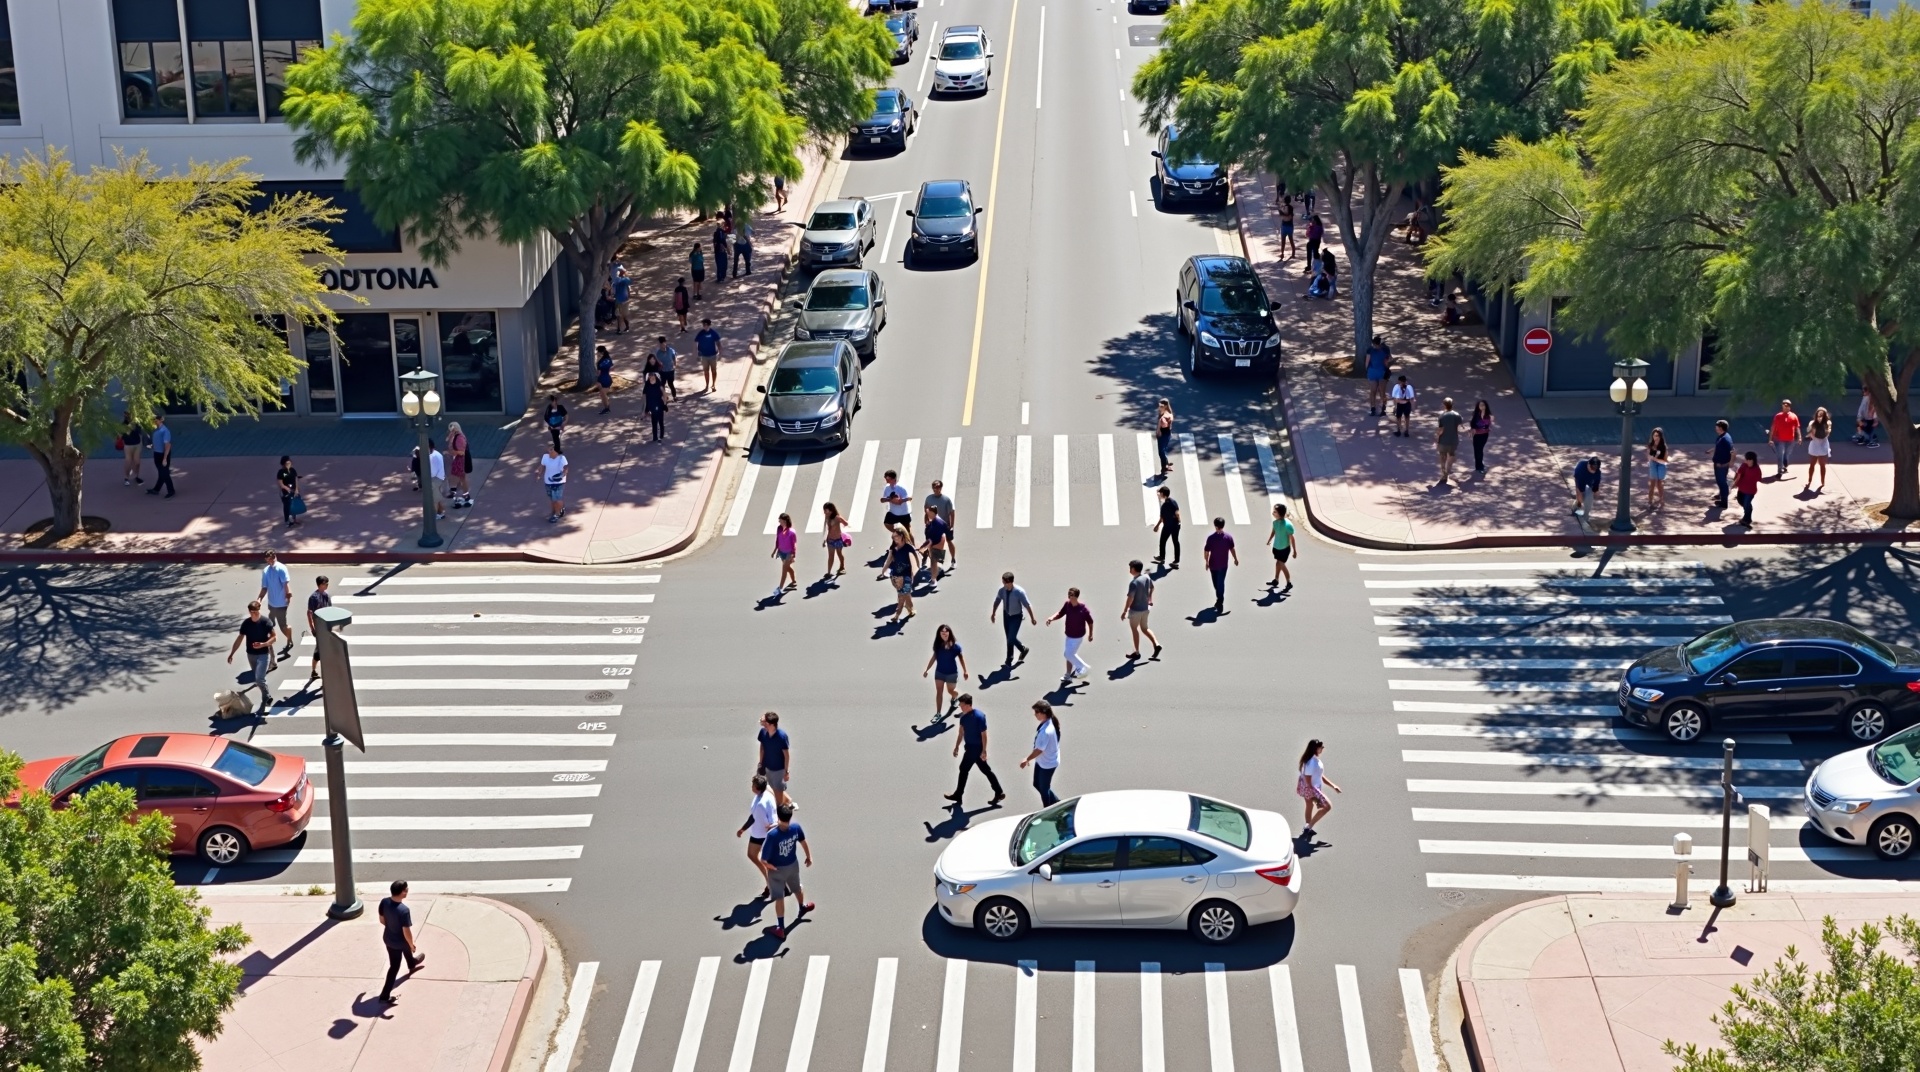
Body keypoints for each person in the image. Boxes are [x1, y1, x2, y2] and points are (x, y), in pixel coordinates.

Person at [760, 804, 812, 940]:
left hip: (777, 870)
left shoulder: (772, 836)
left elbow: (763, 860)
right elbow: (803, 842)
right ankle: (802, 907)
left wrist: (770, 867)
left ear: (778, 817)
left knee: (779, 897)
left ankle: (781, 928)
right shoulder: (796, 828)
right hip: (793, 865)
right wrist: (808, 857)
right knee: (797, 887)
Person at [946, 694, 1005, 805]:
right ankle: (999, 792)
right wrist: (956, 746)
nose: (960, 707)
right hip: (970, 747)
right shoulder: (963, 717)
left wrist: (984, 750)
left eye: (962, 705)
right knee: (986, 770)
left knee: (963, 768)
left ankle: (958, 795)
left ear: (968, 705)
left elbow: (984, 735)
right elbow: (961, 733)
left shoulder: (979, 716)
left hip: (975, 748)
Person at [375, 880, 425, 1004]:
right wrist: (412, 944)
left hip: (388, 938)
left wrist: (392, 927)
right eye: (406, 889)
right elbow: (406, 932)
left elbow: (382, 920)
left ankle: (412, 964)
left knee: (405, 950)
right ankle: (384, 995)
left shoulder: (384, 902)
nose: (407, 891)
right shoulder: (403, 910)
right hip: (399, 941)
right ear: (403, 893)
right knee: (395, 966)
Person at [226, 601, 277, 714]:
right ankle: (267, 695)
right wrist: (232, 653)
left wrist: (263, 644)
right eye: (252, 612)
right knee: (258, 679)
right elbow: (240, 639)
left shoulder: (266, 622)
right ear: (249, 611)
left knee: (260, 679)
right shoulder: (246, 624)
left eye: (256, 612)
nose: (254, 614)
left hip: (264, 654)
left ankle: (266, 698)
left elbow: (274, 637)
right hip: (251, 655)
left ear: (259, 610)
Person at [734, 774, 778, 898]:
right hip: (765, 834)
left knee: (753, 855)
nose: (751, 787)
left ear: (757, 788)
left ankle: (770, 883)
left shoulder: (759, 805)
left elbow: (754, 819)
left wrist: (742, 829)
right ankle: (773, 882)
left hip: (760, 835)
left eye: (753, 785)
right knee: (765, 859)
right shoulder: (767, 792)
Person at [1044, 587, 1093, 683]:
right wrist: (1051, 618)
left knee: (1068, 654)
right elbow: (1060, 613)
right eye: (1068, 594)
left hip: (1078, 636)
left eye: (1071, 595)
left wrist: (1090, 634)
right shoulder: (1067, 605)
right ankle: (1068, 675)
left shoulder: (1083, 609)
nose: (1069, 596)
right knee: (1070, 654)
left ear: (1076, 596)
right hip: (1069, 635)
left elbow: (1090, 622)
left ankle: (1083, 667)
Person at [1020, 701, 1062, 806]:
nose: (1035, 714)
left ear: (1043, 713)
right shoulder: (1048, 721)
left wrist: (1027, 759)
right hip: (1043, 761)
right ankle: (1057, 803)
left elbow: (1039, 750)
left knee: (1044, 790)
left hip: (1047, 764)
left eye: (1036, 712)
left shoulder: (1046, 731)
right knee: (1037, 784)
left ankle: (1048, 809)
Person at [1296, 740, 1341, 837]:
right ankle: (1309, 827)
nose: (1322, 749)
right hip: (1311, 788)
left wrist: (1333, 786)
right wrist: (1315, 795)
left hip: (1308, 787)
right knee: (1327, 806)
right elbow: (1308, 779)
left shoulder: (1313, 759)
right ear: (1316, 748)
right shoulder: (1311, 762)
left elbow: (1319, 775)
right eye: (1321, 747)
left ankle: (1307, 826)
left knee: (1309, 806)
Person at [990, 572, 1037, 665]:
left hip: (1016, 616)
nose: (1003, 584)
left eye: (1004, 582)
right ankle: (1009, 657)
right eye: (1003, 582)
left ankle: (1023, 649)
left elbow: (1027, 605)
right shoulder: (1002, 591)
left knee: (1011, 637)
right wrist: (993, 613)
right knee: (1008, 637)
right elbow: (997, 601)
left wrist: (1032, 618)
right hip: (1006, 615)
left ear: (1010, 582)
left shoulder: (1019, 592)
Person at [256, 550, 295, 658]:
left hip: (281, 603)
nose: (270, 561)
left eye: (271, 559)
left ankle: (289, 635)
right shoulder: (266, 571)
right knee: (269, 624)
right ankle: (269, 645)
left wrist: (288, 596)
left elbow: (286, 584)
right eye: (268, 560)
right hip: (272, 603)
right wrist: (259, 599)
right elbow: (264, 587)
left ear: (275, 557)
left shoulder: (281, 568)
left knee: (282, 627)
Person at [923, 625, 968, 717]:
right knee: (939, 691)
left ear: (949, 633)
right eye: (942, 633)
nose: (944, 634)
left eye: (946, 632)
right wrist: (927, 669)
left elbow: (961, 659)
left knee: (951, 691)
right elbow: (933, 658)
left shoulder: (956, 647)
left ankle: (955, 697)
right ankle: (938, 713)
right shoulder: (938, 646)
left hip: (952, 673)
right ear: (939, 634)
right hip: (939, 672)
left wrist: (965, 671)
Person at [1122, 559, 1160, 660]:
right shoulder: (1146, 577)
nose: (1130, 569)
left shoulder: (1134, 583)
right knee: (1145, 628)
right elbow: (1152, 587)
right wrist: (1149, 599)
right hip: (1145, 609)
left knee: (1134, 629)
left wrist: (1125, 611)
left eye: (1130, 568)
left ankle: (1137, 652)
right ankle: (1156, 644)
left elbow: (1130, 598)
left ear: (1133, 569)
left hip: (1135, 611)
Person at [1203, 517, 1237, 612]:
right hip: (1219, 565)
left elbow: (1206, 552)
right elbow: (1232, 549)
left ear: (1215, 526)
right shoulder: (1227, 537)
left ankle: (1220, 599)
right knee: (1217, 583)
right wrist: (1235, 559)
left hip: (1217, 565)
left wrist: (1206, 561)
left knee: (1219, 582)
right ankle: (1219, 595)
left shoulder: (1212, 538)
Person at [885, 528, 920, 622]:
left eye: (896, 536)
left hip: (907, 575)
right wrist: (884, 570)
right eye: (893, 536)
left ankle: (897, 615)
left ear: (902, 536)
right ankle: (911, 609)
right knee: (906, 594)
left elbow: (916, 556)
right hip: (896, 575)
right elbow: (889, 559)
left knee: (901, 595)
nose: (894, 538)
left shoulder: (908, 547)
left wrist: (918, 566)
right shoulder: (893, 548)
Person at [757, 712, 792, 806]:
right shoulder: (763, 732)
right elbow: (762, 748)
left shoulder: (782, 737)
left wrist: (786, 771)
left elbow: (786, 755)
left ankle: (780, 809)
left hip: (779, 769)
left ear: (771, 724)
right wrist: (761, 763)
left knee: (778, 791)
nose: (763, 724)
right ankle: (789, 801)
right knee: (772, 788)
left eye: (765, 722)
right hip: (768, 766)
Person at [303, 575, 331, 687]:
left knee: (319, 652)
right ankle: (324, 677)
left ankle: (314, 671)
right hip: (319, 628)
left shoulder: (326, 596)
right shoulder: (313, 598)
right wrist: (313, 629)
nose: (327, 585)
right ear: (320, 584)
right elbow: (309, 614)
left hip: (326, 627)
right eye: (326, 583)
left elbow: (330, 610)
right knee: (322, 653)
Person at [925, 479, 958, 566]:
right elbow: (926, 510)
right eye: (934, 487)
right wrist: (926, 521)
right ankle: (936, 560)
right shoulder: (929, 499)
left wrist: (951, 525)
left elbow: (951, 512)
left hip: (945, 524)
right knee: (932, 542)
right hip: (934, 525)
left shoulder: (946, 500)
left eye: (938, 487)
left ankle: (953, 559)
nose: (936, 489)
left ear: (941, 488)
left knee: (949, 541)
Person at [1266, 503, 1298, 590]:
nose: (1273, 513)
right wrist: (1269, 540)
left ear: (1280, 513)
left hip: (1284, 549)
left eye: (1275, 512)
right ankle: (1276, 579)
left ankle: (1289, 582)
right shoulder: (1275, 523)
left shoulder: (1288, 525)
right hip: (1276, 547)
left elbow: (1292, 538)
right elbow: (1274, 532)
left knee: (1281, 564)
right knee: (1278, 563)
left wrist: (1295, 551)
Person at [919, 504, 952, 586]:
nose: (927, 514)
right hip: (937, 543)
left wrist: (924, 546)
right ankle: (938, 570)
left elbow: (931, 539)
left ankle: (933, 580)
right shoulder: (937, 521)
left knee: (933, 562)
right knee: (935, 560)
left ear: (932, 513)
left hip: (936, 544)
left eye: (928, 513)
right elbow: (947, 531)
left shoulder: (936, 523)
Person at [1434, 397, 1463, 486]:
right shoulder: (1457, 415)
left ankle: (1444, 475)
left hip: (1444, 440)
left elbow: (1440, 430)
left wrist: (1436, 439)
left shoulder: (1442, 416)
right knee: (1451, 454)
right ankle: (1448, 469)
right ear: (1452, 405)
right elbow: (1459, 428)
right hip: (1454, 440)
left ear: (1443, 405)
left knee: (1442, 457)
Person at [1769, 399, 1801, 477]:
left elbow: (1797, 428)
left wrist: (1799, 437)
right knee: (1780, 454)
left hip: (1791, 439)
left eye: (1787, 406)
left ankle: (1785, 462)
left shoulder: (1793, 416)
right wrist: (1770, 439)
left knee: (1787, 454)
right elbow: (1773, 427)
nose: (1786, 407)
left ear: (1790, 407)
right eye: (1784, 405)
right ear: (1782, 406)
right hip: (1779, 439)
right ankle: (1780, 470)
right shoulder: (1778, 416)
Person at [1153, 485, 1182, 567]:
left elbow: (1162, 518)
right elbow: (1177, 513)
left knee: (1162, 541)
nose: (1159, 495)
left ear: (1163, 494)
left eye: (1160, 494)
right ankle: (1176, 560)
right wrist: (1178, 522)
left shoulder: (1164, 506)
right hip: (1176, 525)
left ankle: (1162, 557)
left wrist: (1157, 526)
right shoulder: (1173, 501)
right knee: (1176, 542)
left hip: (1168, 526)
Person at [879, 469, 913, 538]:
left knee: (908, 531)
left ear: (893, 479)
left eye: (887, 478)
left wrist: (900, 501)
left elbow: (909, 498)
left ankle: (913, 546)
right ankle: (899, 533)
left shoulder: (901, 487)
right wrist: (890, 499)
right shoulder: (887, 488)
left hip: (903, 513)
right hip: (893, 512)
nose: (886, 479)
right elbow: (883, 499)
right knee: (887, 523)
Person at [146, 415, 175, 497]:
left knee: (164, 473)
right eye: (154, 420)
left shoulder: (165, 431)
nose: (154, 422)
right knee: (161, 473)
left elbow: (168, 445)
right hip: (157, 453)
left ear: (160, 420)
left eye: (156, 420)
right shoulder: (157, 430)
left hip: (163, 454)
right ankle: (156, 489)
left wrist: (165, 458)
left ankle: (171, 491)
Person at [1805, 406, 1832, 491]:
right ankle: (1809, 480)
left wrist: (1825, 427)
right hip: (1814, 445)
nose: (1820, 416)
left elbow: (1826, 433)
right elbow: (1809, 432)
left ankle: (1822, 481)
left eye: (1822, 414)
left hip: (1823, 445)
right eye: (1818, 414)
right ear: (1816, 414)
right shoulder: (1812, 423)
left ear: (1825, 415)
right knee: (1812, 464)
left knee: (1822, 465)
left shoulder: (1828, 423)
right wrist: (1812, 428)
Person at [771, 512, 798, 596]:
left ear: (785, 521)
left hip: (789, 553)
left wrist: (793, 554)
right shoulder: (779, 529)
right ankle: (794, 581)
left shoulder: (791, 532)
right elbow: (777, 540)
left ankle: (780, 588)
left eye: (781, 521)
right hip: (781, 552)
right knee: (787, 568)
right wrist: (775, 550)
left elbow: (794, 544)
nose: (779, 522)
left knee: (784, 570)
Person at [540, 442, 568, 523]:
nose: (549, 451)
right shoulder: (545, 457)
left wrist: (563, 474)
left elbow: (566, 467)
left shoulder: (561, 458)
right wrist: (538, 472)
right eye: (549, 449)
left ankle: (557, 514)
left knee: (556, 499)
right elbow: (542, 465)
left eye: (551, 450)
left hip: (558, 482)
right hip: (548, 482)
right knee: (552, 498)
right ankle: (557, 509)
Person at [447, 422, 473, 507]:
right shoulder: (456, 436)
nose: (452, 430)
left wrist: (450, 452)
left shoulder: (460, 437)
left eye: (453, 428)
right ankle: (465, 496)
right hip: (459, 460)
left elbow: (461, 452)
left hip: (461, 461)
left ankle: (462, 496)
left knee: (458, 479)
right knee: (461, 479)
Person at [1364, 336, 1391, 416]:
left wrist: (1367, 371)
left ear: (1374, 343)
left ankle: (1373, 409)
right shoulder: (1385, 349)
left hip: (1372, 372)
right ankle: (1383, 409)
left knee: (1373, 391)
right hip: (1382, 372)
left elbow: (1367, 362)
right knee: (1382, 391)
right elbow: (1387, 362)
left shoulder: (1370, 350)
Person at [1734, 450, 1762, 527]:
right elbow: (1738, 474)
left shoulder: (1756, 469)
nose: (1747, 461)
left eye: (1748, 460)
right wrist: (1735, 483)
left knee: (1747, 504)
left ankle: (1747, 518)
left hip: (1750, 491)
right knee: (1740, 501)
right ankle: (1747, 510)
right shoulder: (1744, 465)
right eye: (1746, 459)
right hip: (1741, 488)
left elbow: (1759, 478)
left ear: (1752, 460)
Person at [1711, 419, 1734, 508]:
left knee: (1722, 482)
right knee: (1720, 480)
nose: (1715, 427)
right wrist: (1711, 451)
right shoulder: (1722, 437)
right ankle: (1721, 495)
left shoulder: (1725, 439)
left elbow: (1732, 451)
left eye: (1716, 426)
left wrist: (1729, 462)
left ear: (1720, 427)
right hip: (1719, 463)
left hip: (1721, 465)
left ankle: (1724, 502)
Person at [695, 318, 723, 393]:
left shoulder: (713, 333)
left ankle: (713, 384)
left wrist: (720, 353)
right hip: (704, 356)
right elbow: (696, 342)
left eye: (705, 325)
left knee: (714, 370)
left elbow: (718, 343)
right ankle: (707, 385)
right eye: (703, 325)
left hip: (713, 355)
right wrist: (697, 353)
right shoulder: (701, 333)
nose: (704, 326)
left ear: (709, 325)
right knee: (706, 371)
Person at [1572, 456, 1602, 523]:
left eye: (1595, 469)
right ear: (1588, 464)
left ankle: (1586, 515)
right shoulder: (1580, 469)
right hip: (1581, 478)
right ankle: (1576, 504)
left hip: (1590, 480)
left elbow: (1596, 486)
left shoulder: (1597, 472)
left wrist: (1595, 491)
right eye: (1592, 468)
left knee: (1590, 495)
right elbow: (1580, 488)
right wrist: (1579, 496)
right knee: (1581, 498)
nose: (1593, 470)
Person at [821, 502, 847, 578]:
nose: (824, 512)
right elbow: (827, 530)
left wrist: (841, 529)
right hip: (830, 540)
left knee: (839, 553)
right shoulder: (827, 517)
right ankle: (829, 572)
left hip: (838, 539)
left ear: (831, 510)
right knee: (831, 556)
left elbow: (846, 523)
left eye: (826, 510)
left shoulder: (837, 518)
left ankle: (842, 566)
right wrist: (825, 539)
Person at [1647, 428, 1670, 509]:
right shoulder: (1651, 445)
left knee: (1660, 483)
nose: (1655, 438)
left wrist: (1656, 458)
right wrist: (1652, 458)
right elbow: (1649, 456)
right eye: (1654, 436)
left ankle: (1661, 500)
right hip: (1653, 464)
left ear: (1660, 437)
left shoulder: (1664, 447)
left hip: (1661, 464)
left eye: (1657, 436)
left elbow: (1665, 460)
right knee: (1652, 483)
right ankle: (1650, 501)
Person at [276, 455, 301, 527]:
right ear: (283, 464)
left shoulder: (292, 470)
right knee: (287, 506)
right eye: (287, 462)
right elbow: (280, 483)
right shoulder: (281, 472)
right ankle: (287, 520)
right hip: (285, 492)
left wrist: (296, 489)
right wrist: (287, 489)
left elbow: (296, 479)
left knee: (295, 504)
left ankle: (294, 519)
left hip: (293, 490)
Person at [643, 371, 668, 442]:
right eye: (650, 376)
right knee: (654, 422)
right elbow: (644, 397)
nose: (652, 378)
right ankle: (655, 437)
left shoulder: (659, 384)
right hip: (651, 405)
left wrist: (665, 404)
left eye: (653, 376)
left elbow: (664, 394)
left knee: (660, 421)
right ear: (649, 377)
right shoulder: (647, 386)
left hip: (659, 404)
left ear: (655, 377)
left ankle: (661, 435)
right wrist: (645, 409)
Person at [1469, 400, 1493, 473]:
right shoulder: (1476, 415)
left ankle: (1480, 466)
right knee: (1477, 451)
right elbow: (1472, 424)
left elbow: (1487, 425)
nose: (1482, 407)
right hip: (1477, 435)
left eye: (1483, 405)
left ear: (1486, 406)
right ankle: (1479, 466)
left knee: (1480, 450)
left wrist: (1486, 428)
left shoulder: (1488, 415)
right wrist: (1472, 429)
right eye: (1480, 405)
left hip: (1484, 435)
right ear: (1478, 407)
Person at [120, 411, 143, 486]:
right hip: (128, 445)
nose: (128, 417)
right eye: (126, 415)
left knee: (137, 462)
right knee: (128, 461)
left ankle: (136, 476)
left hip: (137, 444)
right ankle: (126, 477)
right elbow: (121, 435)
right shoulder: (123, 425)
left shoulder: (136, 423)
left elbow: (139, 431)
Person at [427, 442, 448, 521]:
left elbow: (433, 472)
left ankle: (435, 515)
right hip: (440, 478)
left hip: (435, 479)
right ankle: (441, 512)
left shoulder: (432, 457)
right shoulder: (436, 454)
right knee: (437, 497)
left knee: (434, 499)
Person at [1155, 399, 1175, 475]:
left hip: (1163, 435)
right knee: (1163, 450)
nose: (1159, 407)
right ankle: (1166, 463)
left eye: (1161, 406)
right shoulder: (1165, 413)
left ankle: (1165, 467)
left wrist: (1158, 430)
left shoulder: (1166, 416)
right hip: (1166, 434)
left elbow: (1164, 425)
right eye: (1159, 405)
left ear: (1166, 406)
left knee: (1161, 452)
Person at [594, 346, 615, 414]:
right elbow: (612, 368)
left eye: (598, 352)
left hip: (601, 379)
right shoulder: (609, 358)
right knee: (602, 394)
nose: (597, 353)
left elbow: (598, 373)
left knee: (602, 394)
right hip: (608, 378)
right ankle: (606, 402)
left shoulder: (599, 362)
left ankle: (606, 408)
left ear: (600, 352)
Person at [614, 265, 633, 333]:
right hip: (619, 300)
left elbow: (628, 288)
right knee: (618, 315)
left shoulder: (625, 280)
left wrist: (628, 297)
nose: (619, 272)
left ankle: (626, 326)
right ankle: (619, 329)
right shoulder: (617, 280)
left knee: (624, 315)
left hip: (624, 300)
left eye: (620, 271)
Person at [1276, 193, 1295, 259]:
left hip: (1284, 225)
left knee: (1283, 241)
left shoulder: (1283, 208)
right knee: (1291, 240)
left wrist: (1281, 212)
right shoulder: (1291, 208)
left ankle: (1282, 253)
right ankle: (1293, 253)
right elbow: (1290, 215)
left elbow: (1282, 214)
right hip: (1290, 225)